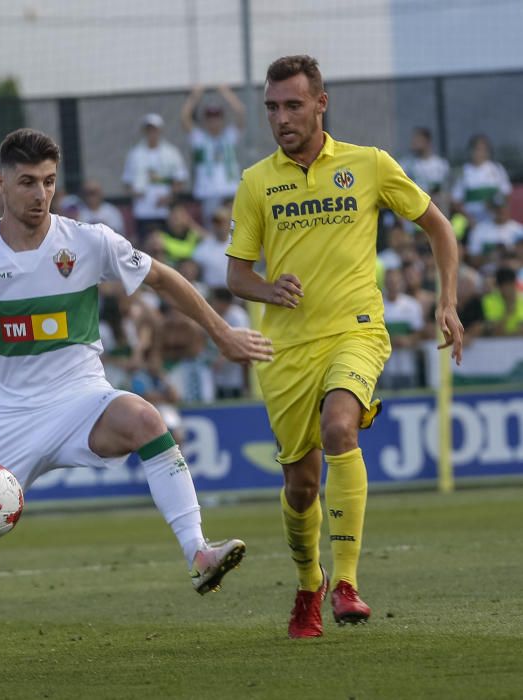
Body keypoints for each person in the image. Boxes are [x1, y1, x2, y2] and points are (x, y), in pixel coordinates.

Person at [0, 128, 273, 677]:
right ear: (0, 183)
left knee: (145, 418)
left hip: (82, 398)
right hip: (10, 419)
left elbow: (165, 278)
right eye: (27, 182)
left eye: (49, 182)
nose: (40, 195)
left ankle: (199, 552)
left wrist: (221, 333)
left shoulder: (87, 240)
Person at [225, 55, 463, 639]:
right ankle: (310, 583)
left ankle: (348, 582)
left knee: (340, 428)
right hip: (284, 351)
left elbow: (439, 227)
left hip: (356, 331)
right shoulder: (257, 181)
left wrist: (447, 301)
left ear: (321, 103)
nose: (282, 118)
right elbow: (236, 277)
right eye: (273, 108)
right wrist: (267, 288)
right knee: (300, 485)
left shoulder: (369, 164)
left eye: (293, 105)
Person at [181, 85, 245, 224]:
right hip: (208, 194)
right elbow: (185, 118)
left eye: (217, 117)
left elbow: (240, 113)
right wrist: (195, 97)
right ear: (205, 120)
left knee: (235, 228)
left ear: (222, 119)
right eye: (210, 117)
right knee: (213, 229)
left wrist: (227, 93)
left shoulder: (229, 137)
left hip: (230, 192)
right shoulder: (200, 139)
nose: (214, 121)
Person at [122, 113, 188, 237]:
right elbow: (127, 183)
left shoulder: (171, 153)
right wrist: (135, 193)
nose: (152, 133)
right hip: (143, 211)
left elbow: (179, 181)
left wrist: (169, 198)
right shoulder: (135, 154)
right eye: (149, 130)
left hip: (166, 212)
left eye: (154, 129)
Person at [451, 134, 512, 228]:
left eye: (483, 149)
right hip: (470, 221)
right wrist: (469, 219)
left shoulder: (497, 169)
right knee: (455, 226)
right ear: (471, 151)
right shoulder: (463, 172)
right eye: (476, 149)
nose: (479, 153)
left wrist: (494, 207)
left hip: (493, 220)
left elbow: (506, 195)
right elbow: (455, 202)